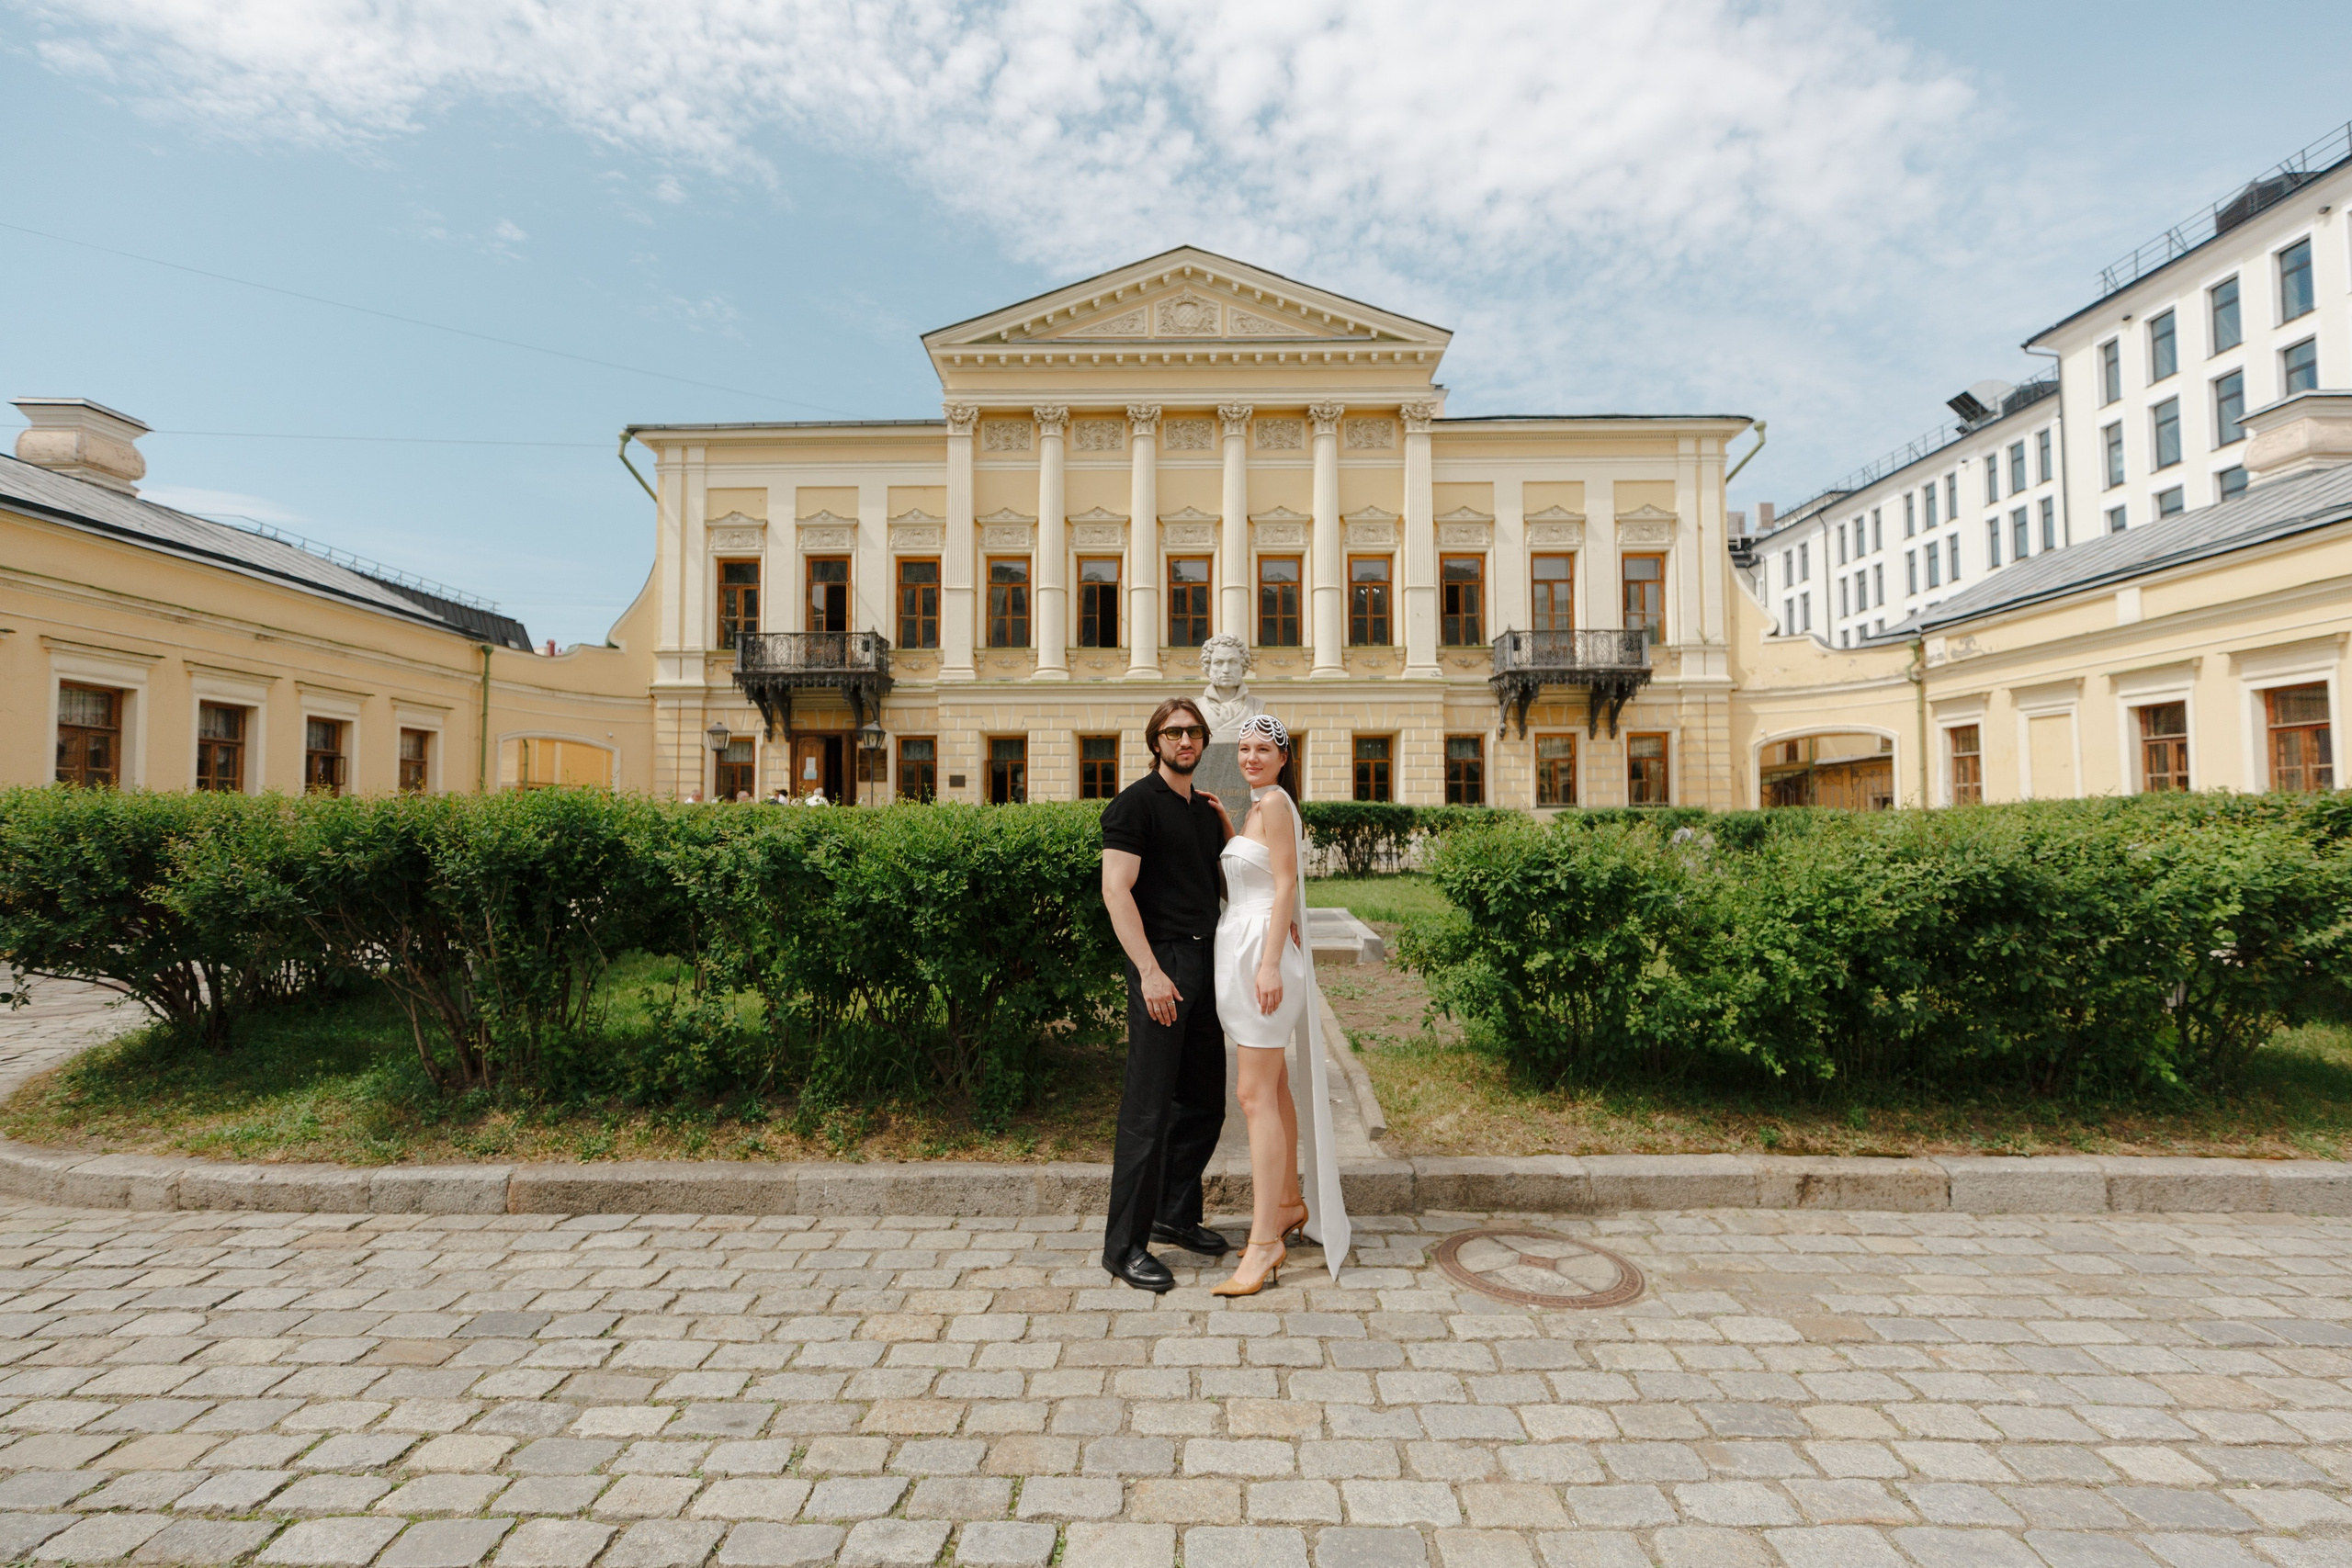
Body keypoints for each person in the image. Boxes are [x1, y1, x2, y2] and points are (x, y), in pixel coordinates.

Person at [1211, 712, 1351, 1294]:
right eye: (1243, 748)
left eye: (1261, 749)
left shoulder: (1273, 805)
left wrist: (1269, 962)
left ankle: (1265, 1241)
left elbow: (1287, 885)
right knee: (1271, 1089)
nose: (1249, 757)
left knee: (1252, 1095)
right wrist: (1226, 828)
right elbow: (1257, 875)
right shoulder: (1256, 808)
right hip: (1248, 949)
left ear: (1283, 756)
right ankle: (1290, 1203)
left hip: (1260, 959)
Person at [1098, 696, 1234, 1292]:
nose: (1185, 740)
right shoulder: (1135, 804)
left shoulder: (1203, 810)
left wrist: (1227, 824)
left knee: (1205, 1101)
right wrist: (1149, 971)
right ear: (1156, 741)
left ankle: (1175, 1215)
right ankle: (1122, 1247)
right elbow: (1116, 890)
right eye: (1174, 731)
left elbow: (1222, 882)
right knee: (1147, 1110)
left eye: (1194, 732)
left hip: (1208, 959)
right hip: (1163, 961)